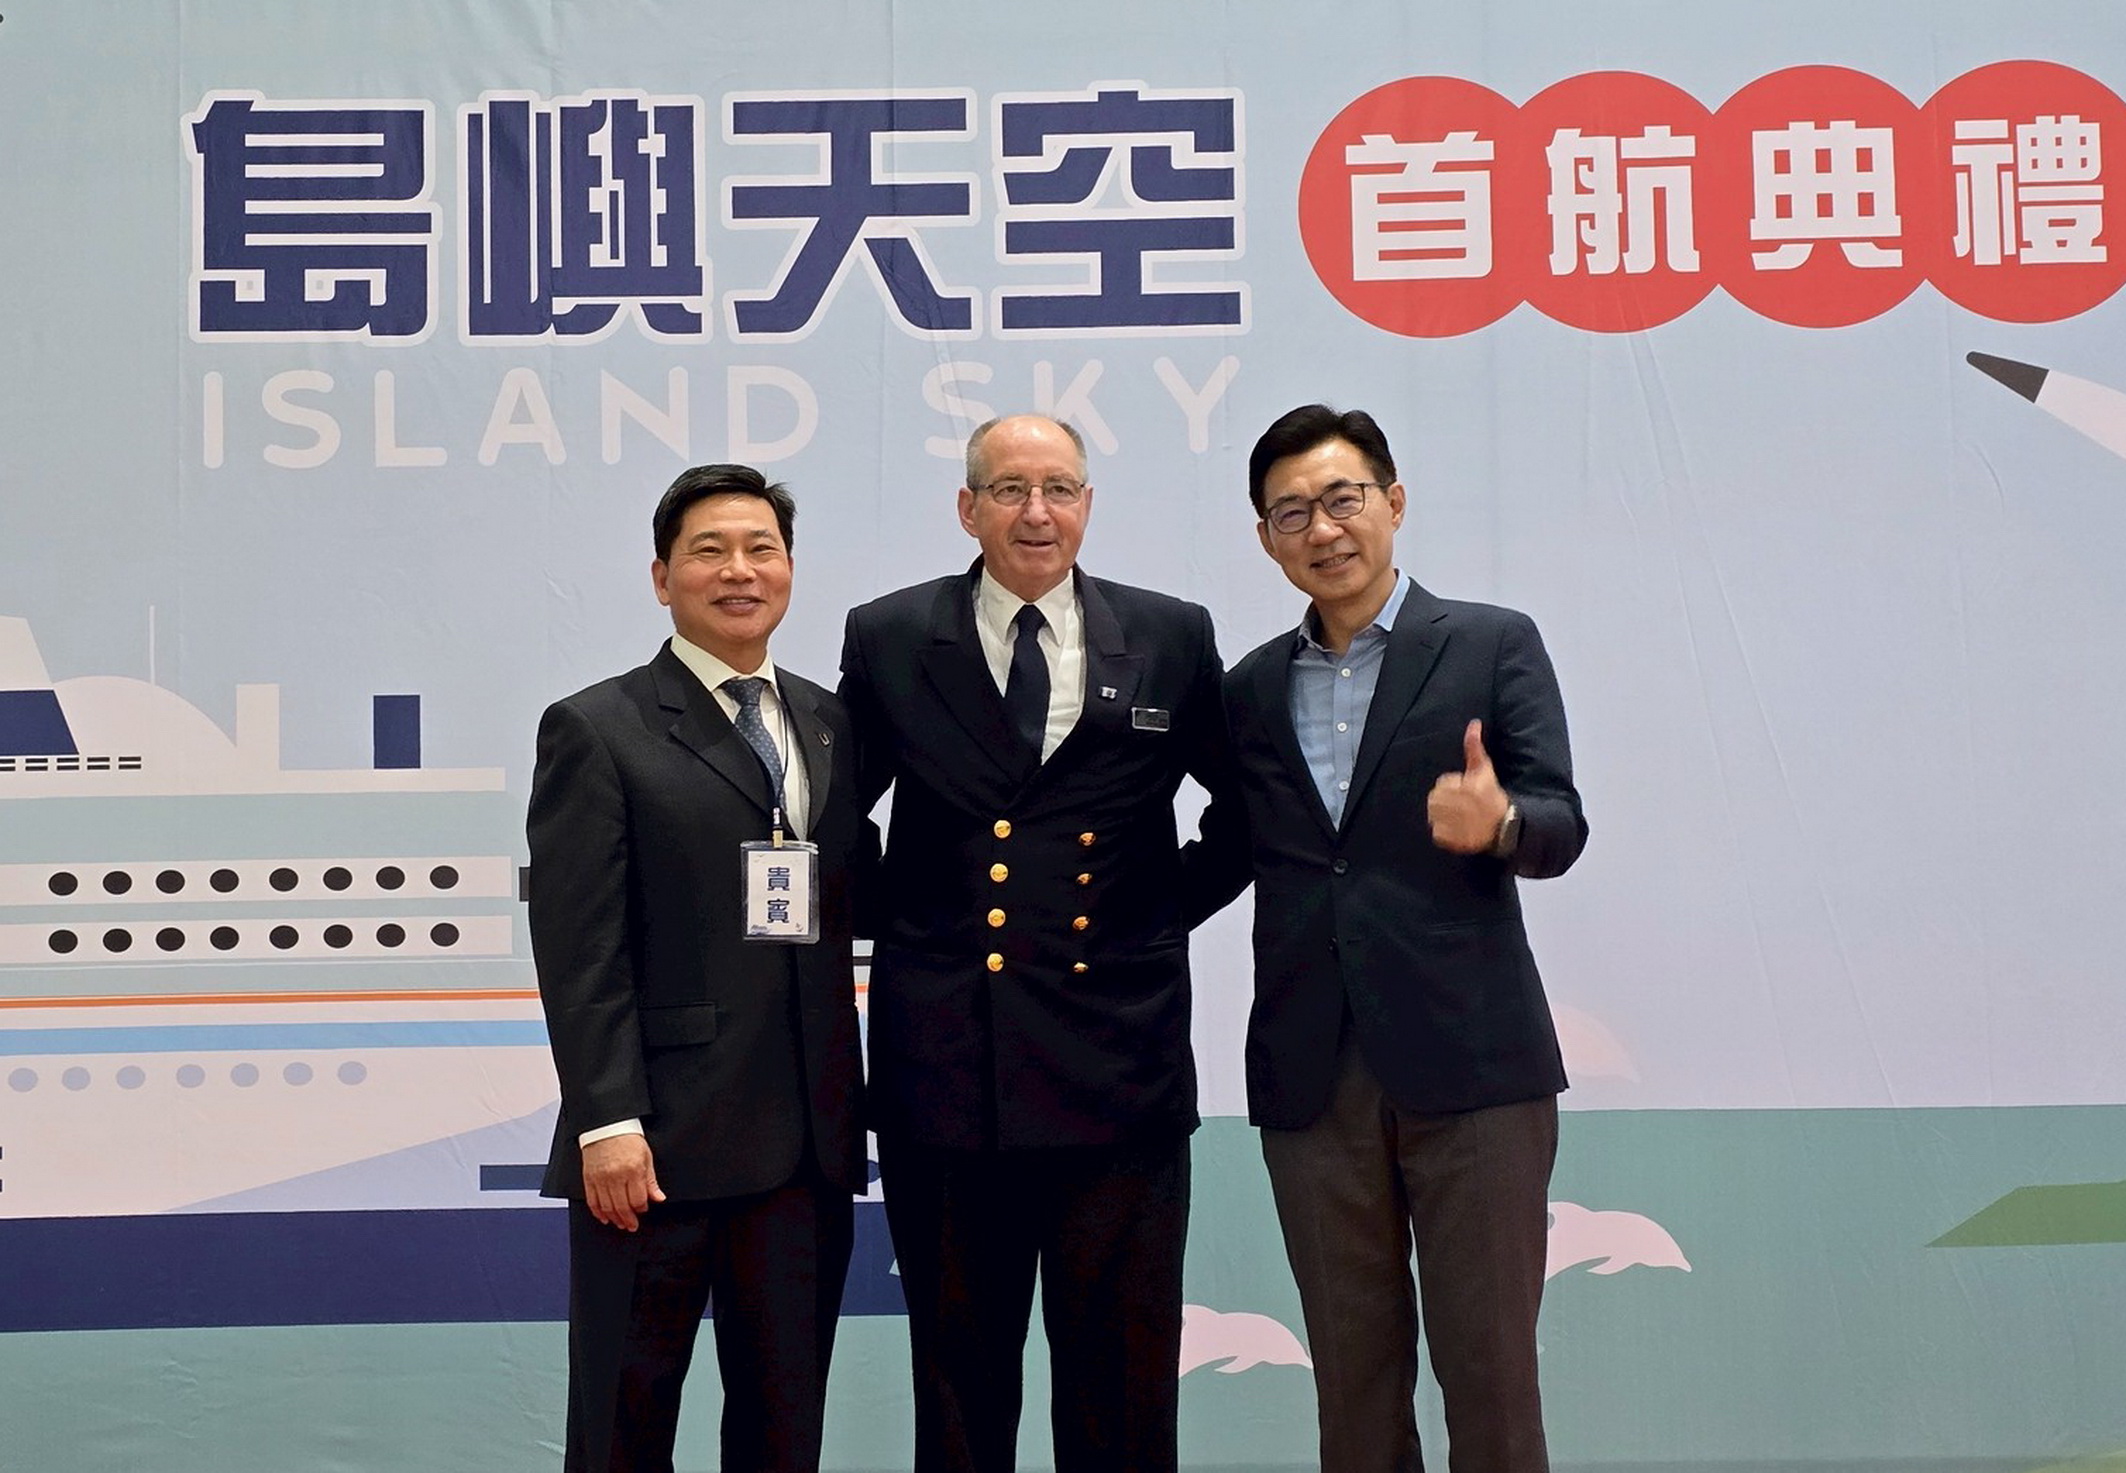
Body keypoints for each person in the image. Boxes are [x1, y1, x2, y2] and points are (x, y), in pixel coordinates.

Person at [838, 413, 1246, 1473]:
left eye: (1059, 488)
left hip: (1119, 1068)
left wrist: (1151, 914)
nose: (1036, 512)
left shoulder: (1169, 635)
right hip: (946, 1073)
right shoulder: (891, 635)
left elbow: (1246, 812)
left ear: (1087, 505)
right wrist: (917, 923)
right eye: (1009, 489)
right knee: (958, 1387)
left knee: (1122, 1388)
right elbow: (836, 822)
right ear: (966, 508)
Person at [1223, 405, 1588, 1473]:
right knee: (1353, 1385)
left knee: (1490, 1376)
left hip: (1473, 1066)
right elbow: (1231, 849)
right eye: (1291, 512)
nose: (1322, 529)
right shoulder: (1247, 688)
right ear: (1265, 538)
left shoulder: (1489, 642)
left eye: (1342, 500)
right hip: (1310, 1071)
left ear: (1392, 501)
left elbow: (1560, 821)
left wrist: (1501, 823)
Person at [527, 463, 867, 1473]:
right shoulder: (598, 727)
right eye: (709, 551)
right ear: (661, 576)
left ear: (790, 568)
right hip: (653, 1152)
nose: (739, 571)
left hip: (803, 1151)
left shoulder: (827, 722)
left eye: (761, 549)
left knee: (783, 1434)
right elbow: (579, 945)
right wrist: (607, 1121)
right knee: (622, 1430)